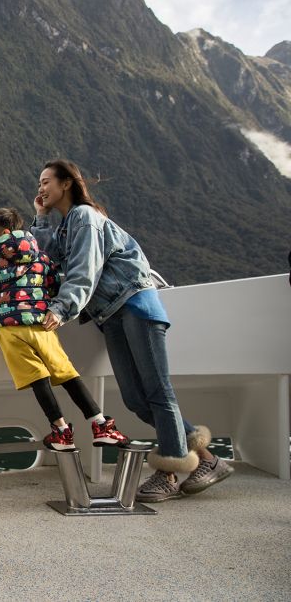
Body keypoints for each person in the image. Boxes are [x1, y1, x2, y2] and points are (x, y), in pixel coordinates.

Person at [31, 160, 233, 502]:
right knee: (136, 400)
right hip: (110, 315)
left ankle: (169, 473)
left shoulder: (85, 217)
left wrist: (61, 308)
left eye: (47, 181)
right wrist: (39, 217)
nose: (40, 187)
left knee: (157, 391)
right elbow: (45, 258)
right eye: (39, 182)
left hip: (136, 305)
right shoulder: (67, 226)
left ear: (66, 184)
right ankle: (210, 460)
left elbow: (84, 269)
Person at [0, 207, 131, 450]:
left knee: (38, 379)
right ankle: (101, 426)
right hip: (42, 325)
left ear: (2, 233)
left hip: (10, 328)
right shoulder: (41, 256)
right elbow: (55, 285)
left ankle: (62, 431)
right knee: (66, 373)